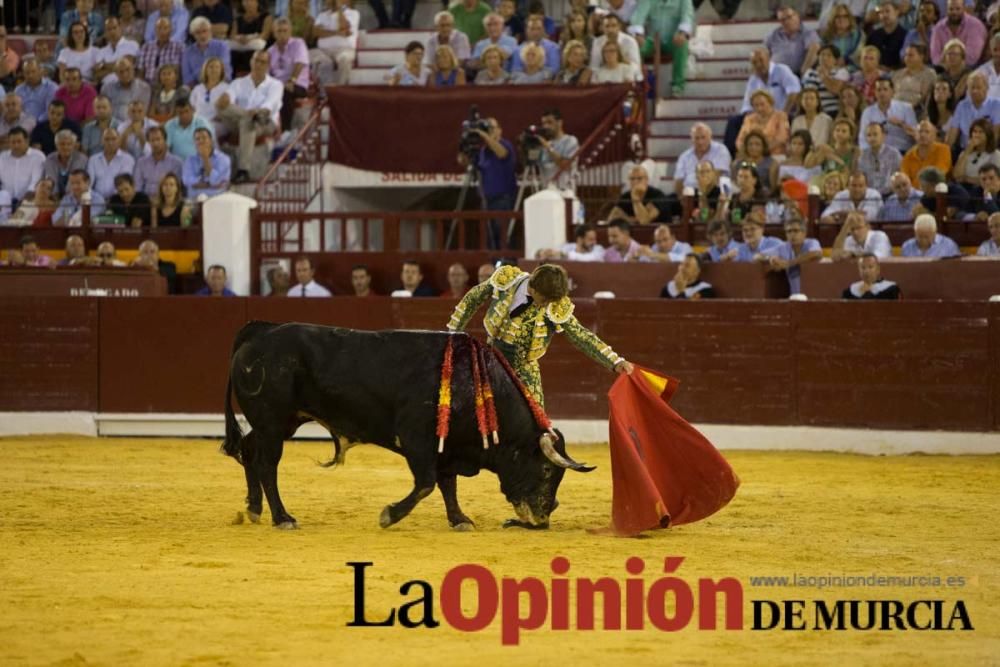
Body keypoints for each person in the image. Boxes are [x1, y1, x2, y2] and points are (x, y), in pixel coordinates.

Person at [446, 263, 633, 406]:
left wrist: (615, 361)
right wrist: (452, 332)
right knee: (473, 406)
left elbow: (581, 336)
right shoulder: (507, 280)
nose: (545, 305)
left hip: (525, 367)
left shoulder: (554, 302)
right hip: (491, 357)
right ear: (532, 288)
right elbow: (473, 298)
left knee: (536, 422)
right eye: (544, 300)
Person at [216, 50, 282, 183]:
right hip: (243, 119)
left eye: (262, 62)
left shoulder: (275, 84)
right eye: (256, 60)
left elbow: (270, 104)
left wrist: (259, 112)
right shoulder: (238, 82)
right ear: (251, 62)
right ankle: (243, 171)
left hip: (266, 122)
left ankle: (243, 169)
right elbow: (229, 98)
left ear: (268, 65)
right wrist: (225, 99)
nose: (258, 64)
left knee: (249, 122)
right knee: (220, 106)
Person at [461, 116, 515, 249]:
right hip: (486, 199)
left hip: (502, 198)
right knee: (489, 237)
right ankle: (492, 263)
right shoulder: (483, 151)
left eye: (491, 128)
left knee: (501, 234)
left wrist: (483, 134)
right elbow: (465, 163)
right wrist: (463, 145)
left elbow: (502, 153)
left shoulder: (505, 144)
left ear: (499, 130)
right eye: (486, 128)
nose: (487, 131)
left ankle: (504, 263)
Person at [629, 0, 693, 96]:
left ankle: (678, 85)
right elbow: (638, 16)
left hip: (673, 40)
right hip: (651, 41)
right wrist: (638, 35)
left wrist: (682, 33)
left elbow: (687, 16)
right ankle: (637, 84)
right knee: (635, 47)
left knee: (682, 44)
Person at [269, 18, 310, 135]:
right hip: (278, 85)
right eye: (279, 31)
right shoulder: (270, 51)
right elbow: (268, 73)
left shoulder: (298, 43)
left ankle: (285, 132)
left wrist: (291, 80)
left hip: (298, 84)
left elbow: (300, 63)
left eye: (285, 31)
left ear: (290, 32)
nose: (282, 34)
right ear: (274, 33)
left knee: (285, 92)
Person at [858, 77, 917, 155]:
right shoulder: (868, 112)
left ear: (892, 91)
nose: (882, 93)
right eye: (879, 90)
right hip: (877, 152)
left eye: (885, 89)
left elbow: (915, 134)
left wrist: (901, 124)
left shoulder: (906, 108)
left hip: (902, 150)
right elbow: (863, 138)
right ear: (874, 92)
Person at [764, 219, 822, 295]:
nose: (792, 234)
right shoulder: (784, 247)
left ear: (804, 233)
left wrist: (789, 263)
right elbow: (757, 256)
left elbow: (817, 253)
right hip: (795, 295)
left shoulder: (811, 243)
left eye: (796, 231)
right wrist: (770, 258)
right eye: (789, 231)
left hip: (814, 292)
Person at [673, 122, 731, 197]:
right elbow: (678, 181)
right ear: (692, 139)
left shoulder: (720, 150)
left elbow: (716, 176)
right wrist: (681, 198)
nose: (700, 142)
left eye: (703, 137)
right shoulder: (684, 156)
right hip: (689, 194)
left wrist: (702, 195)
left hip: (713, 192)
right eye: (697, 138)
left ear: (710, 137)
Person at [944, 73, 1000, 151]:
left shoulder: (996, 105)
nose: (975, 91)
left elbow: (995, 134)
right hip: (964, 149)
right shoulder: (962, 106)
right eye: (972, 88)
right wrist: (945, 150)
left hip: (988, 150)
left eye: (978, 87)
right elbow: (952, 133)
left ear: (987, 88)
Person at [740, 48, 801, 117]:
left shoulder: (782, 70)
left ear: (768, 58)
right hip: (761, 118)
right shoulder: (753, 79)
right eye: (754, 62)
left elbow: (794, 93)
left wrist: (783, 114)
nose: (758, 65)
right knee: (734, 121)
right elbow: (747, 105)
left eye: (761, 60)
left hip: (784, 115)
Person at [311, 0, 359, 86]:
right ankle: (324, 92)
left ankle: (340, 89)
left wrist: (339, 10)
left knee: (344, 59)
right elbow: (316, 32)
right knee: (322, 61)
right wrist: (337, 32)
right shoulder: (322, 15)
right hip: (323, 51)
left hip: (345, 49)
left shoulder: (353, 13)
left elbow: (344, 28)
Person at [929, 0, 986, 66]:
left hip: (969, 70)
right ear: (946, 9)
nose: (954, 12)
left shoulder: (975, 26)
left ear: (964, 8)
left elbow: (972, 58)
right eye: (951, 9)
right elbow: (935, 58)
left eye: (958, 9)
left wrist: (952, 64)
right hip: (943, 70)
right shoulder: (938, 28)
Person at [766, 5, 819, 75]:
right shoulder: (773, 35)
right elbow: (764, 53)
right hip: (775, 76)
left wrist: (803, 73)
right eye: (782, 20)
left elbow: (814, 49)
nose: (786, 21)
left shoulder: (808, 33)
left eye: (789, 17)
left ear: (797, 15)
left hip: (797, 75)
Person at [183, 16, 233, 88]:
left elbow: (226, 70)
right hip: (197, 88)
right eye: (198, 32)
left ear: (210, 31)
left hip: (220, 84)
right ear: (193, 35)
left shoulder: (222, 46)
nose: (202, 35)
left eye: (204, 31)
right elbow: (187, 77)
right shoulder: (187, 52)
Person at [135, 127, 184, 199]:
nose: (155, 143)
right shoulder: (141, 162)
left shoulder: (176, 162)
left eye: (158, 139)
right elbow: (137, 186)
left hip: (166, 201)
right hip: (145, 202)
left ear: (164, 140)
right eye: (152, 140)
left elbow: (176, 188)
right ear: (148, 142)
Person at [0, 127, 46, 204]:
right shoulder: (2, 157)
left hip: (30, 200)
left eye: (19, 142)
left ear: (27, 141)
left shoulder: (37, 156)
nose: (16, 145)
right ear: (9, 143)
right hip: (5, 201)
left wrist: (24, 201)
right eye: (13, 142)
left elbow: (36, 182)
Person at [87, 128, 135, 200]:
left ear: (119, 141)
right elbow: (89, 183)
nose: (110, 142)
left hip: (119, 199)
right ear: (102, 141)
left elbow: (124, 183)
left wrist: (112, 199)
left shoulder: (127, 159)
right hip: (96, 200)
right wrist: (97, 199)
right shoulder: (93, 159)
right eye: (107, 139)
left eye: (113, 139)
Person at [181, 128, 231, 198]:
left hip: (216, 199)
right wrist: (209, 184)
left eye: (204, 138)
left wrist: (205, 158)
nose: (201, 141)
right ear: (194, 143)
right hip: (194, 200)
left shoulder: (223, 159)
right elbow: (187, 181)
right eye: (197, 139)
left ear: (211, 141)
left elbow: (215, 181)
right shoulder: (189, 160)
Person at [900, 119, 951, 185]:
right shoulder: (908, 156)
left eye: (927, 132)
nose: (923, 135)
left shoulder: (943, 150)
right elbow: (905, 181)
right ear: (915, 135)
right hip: (914, 193)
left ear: (934, 135)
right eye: (920, 131)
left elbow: (937, 176)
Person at [856, 122, 902, 195]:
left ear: (883, 136)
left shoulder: (894, 154)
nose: (872, 138)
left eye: (875, 134)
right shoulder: (863, 155)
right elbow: (861, 178)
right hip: (869, 196)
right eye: (869, 135)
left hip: (890, 194)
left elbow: (899, 176)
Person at [103, 57, 152, 125]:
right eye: (121, 72)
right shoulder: (107, 87)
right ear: (116, 74)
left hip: (133, 125)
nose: (125, 74)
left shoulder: (144, 87)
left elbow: (142, 113)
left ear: (133, 69)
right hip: (111, 125)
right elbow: (103, 110)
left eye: (128, 70)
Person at [537, 108, 578, 190]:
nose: (546, 126)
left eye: (549, 122)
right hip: (546, 192)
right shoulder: (544, 145)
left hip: (564, 192)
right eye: (543, 123)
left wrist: (548, 148)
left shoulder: (570, 140)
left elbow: (565, 165)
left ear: (559, 123)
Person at [42, 129, 88, 199]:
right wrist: (55, 198)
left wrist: (64, 202)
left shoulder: (81, 159)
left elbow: (73, 182)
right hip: (54, 196)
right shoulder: (50, 159)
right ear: (56, 145)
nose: (65, 147)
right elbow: (52, 180)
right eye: (62, 144)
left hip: (74, 196)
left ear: (74, 145)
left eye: (69, 144)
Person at [137, 17, 185, 83]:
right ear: (155, 30)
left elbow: (180, 72)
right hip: (148, 85)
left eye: (165, 28)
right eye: (159, 28)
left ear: (171, 30)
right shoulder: (146, 47)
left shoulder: (179, 47)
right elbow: (140, 71)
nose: (162, 31)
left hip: (169, 85)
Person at [15, 59, 59, 124]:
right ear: (23, 74)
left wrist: (35, 123)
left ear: (40, 71)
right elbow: (17, 110)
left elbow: (49, 111)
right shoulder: (18, 90)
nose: (30, 75)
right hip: (23, 124)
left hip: (44, 124)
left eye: (33, 71)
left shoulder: (51, 87)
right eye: (27, 72)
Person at [893, 44, 936, 109]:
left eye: (910, 55)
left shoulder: (929, 74)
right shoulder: (897, 74)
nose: (907, 58)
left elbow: (925, 98)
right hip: (894, 109)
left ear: (921, 57)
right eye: (906, 55)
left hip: (916, 110)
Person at [865, 1, 907, 69]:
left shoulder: (905, 36)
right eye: (881, 12)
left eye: (887, 11)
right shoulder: (873, 35)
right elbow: (865, 55)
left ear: (897, 12)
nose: (884, 15)